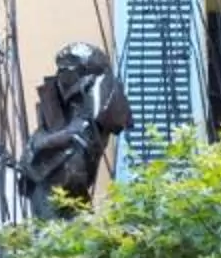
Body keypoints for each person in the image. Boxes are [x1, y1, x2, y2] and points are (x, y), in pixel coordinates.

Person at [17, 41, 134, 219]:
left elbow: (82, 134)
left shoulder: (100, 95)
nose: (61, 75)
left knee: (64, 217)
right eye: (61, 69)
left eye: (67, 70)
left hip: (68, 177)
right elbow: (38, 142)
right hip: (50, 178)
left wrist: (48, 143)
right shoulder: (61, 102)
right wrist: (45, 144)